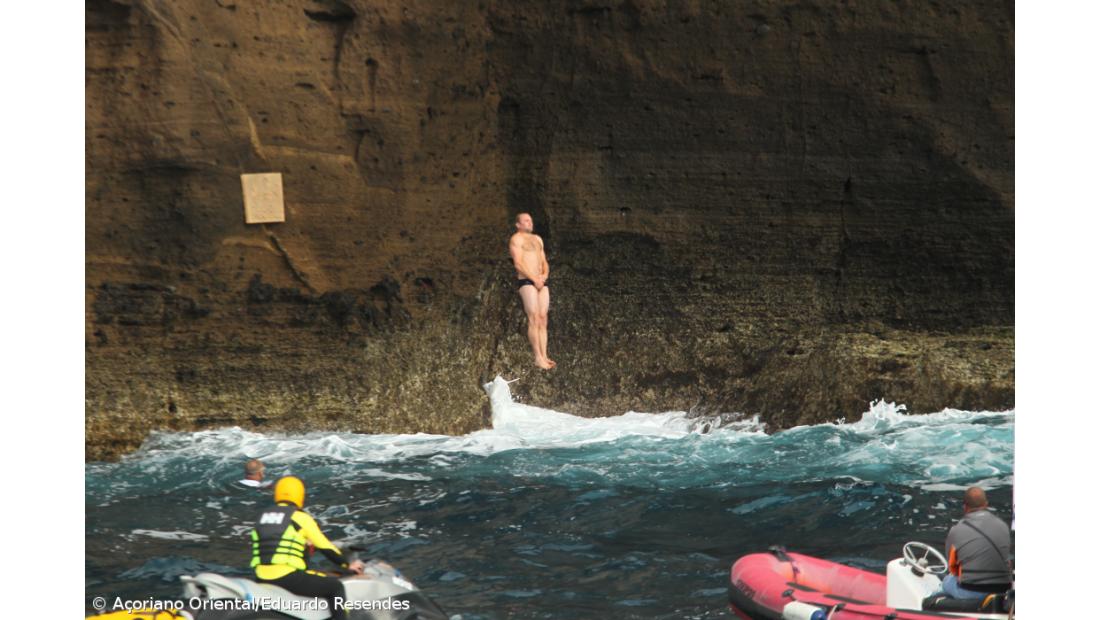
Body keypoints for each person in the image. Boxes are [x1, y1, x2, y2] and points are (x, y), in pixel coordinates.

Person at [249, 476, 365, 619]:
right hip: (286, 577)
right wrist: (348, 563)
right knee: (335, 587)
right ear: (299, 495)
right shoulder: (300, 517)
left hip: (260, 576)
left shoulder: (262, 516)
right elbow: (325, 546)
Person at [936, 487, 1013, 599]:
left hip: (973, 591)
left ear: (965, 507)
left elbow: (953, 567)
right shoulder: (1003, 526)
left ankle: (926, 606)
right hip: (1003, 589)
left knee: (947, 581)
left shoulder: (957, 530)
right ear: (986, 504)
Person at [508, 213, 555, 369]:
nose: (530, 223)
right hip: (527, 281)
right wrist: (534, 279)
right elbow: (518, 264)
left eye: (531, 220)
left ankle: (545, 355)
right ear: (518, 224)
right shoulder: (516, 239)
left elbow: (544, 262)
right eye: (526, 221)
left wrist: (544, 276)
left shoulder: (537, 239)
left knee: (543, 318)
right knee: (534, 316)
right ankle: (537, 357)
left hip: (541, 281)